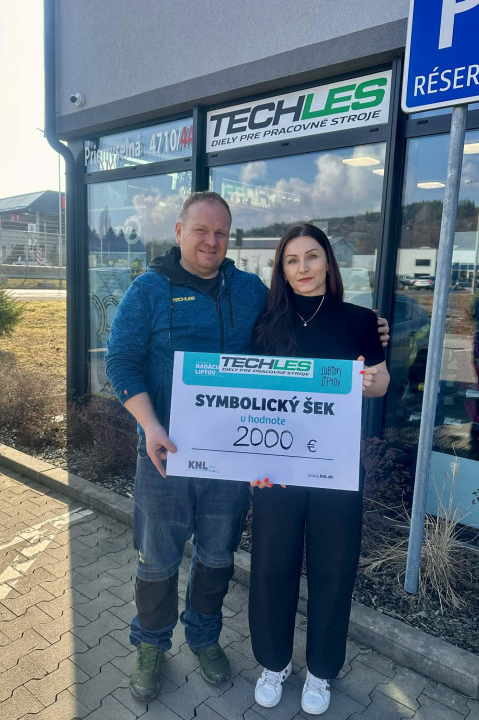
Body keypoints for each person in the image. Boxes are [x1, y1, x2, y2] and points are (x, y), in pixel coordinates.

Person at [105, 193, 390, 702]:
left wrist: (372, 334)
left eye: (220, 232)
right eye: (201, 230)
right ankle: (150, 645)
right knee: (157, 558)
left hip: (232, 458)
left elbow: (307, 338)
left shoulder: (250, 291)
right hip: (166, 452)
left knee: (217, 555)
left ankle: (204, 638)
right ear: (179, 231)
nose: (211, 241)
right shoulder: (148, 290)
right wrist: (150, 426)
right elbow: (120, 361)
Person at [248, 224, 390, 716]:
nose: (303, 268)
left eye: (312, 256)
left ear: (328, 261)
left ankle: (321, 671)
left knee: (333, 567)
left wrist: (368, 381)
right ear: (282, 270)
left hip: (336, 466)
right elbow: (249, 394)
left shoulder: (360, 320)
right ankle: (274, 663)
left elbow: (381, 382)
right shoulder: (266, 322)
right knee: (271, 565)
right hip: (276, 466)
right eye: (292, 260)